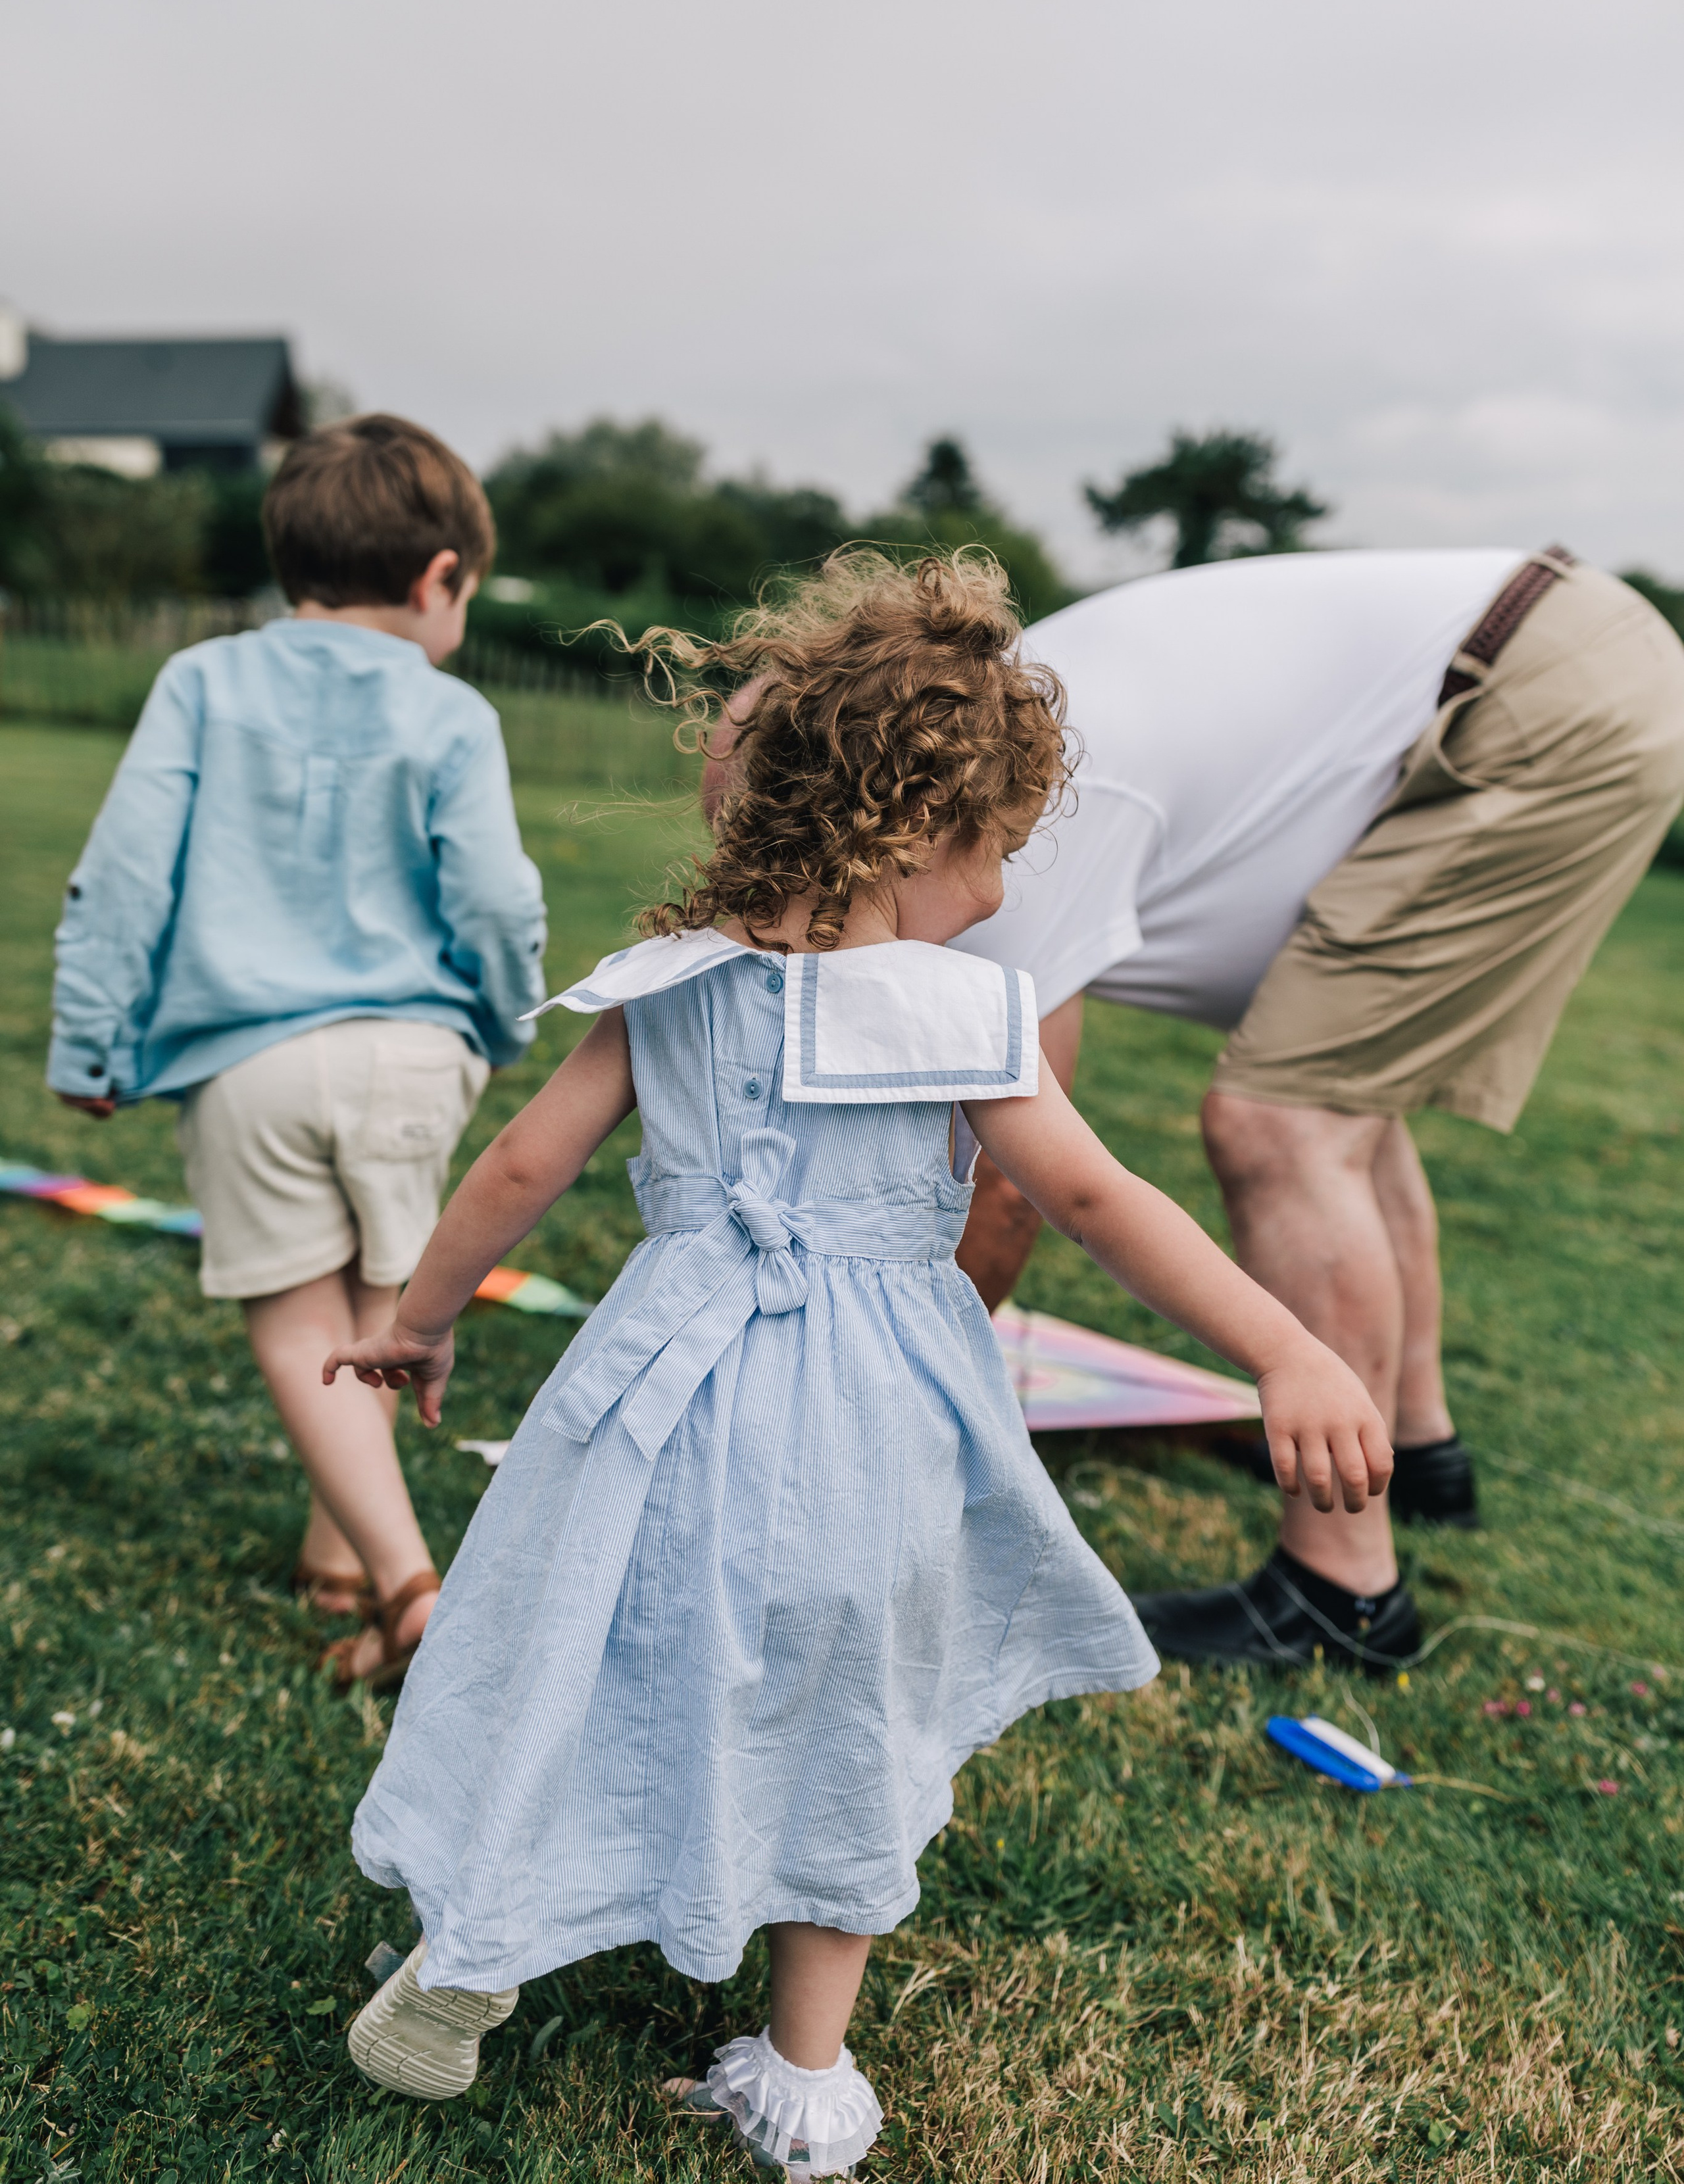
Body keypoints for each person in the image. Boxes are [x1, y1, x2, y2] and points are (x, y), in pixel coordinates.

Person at [321, 553, 1390, 2170]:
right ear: (912, 831)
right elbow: (1096, 1198)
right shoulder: (964, 1012)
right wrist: (1284, 1344)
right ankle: (801, 2065)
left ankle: (476, 1946)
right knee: (849, 1715)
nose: (1006, 889)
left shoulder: (662, 987)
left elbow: (517, 1171)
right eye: (1000, 851)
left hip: (658, 1406)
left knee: (591, 1663)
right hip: (864, 1434)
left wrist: (417, 1316)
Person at [946, 545, 1684, 1672]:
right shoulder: (988, 719)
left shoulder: (1004, 800)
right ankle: (1414, 1452)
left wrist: (891, 1391)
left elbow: (1004, 1180)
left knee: (1284, 1123)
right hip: (1571, 662)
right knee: (1344, 1107)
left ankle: (1342, 1589)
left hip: (1535, 694)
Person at [47, 414, 547, 1687]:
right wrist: (504, 1015)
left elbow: (123, 873)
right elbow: (493, 897)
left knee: (295, 1321)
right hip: (413, 1052)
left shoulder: (201, 683)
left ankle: (397, 1579)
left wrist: (91, 1039)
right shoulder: (454, 716)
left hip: (246, 1061)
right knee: (382, 1308)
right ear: (442, 579)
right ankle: (349, 1558)